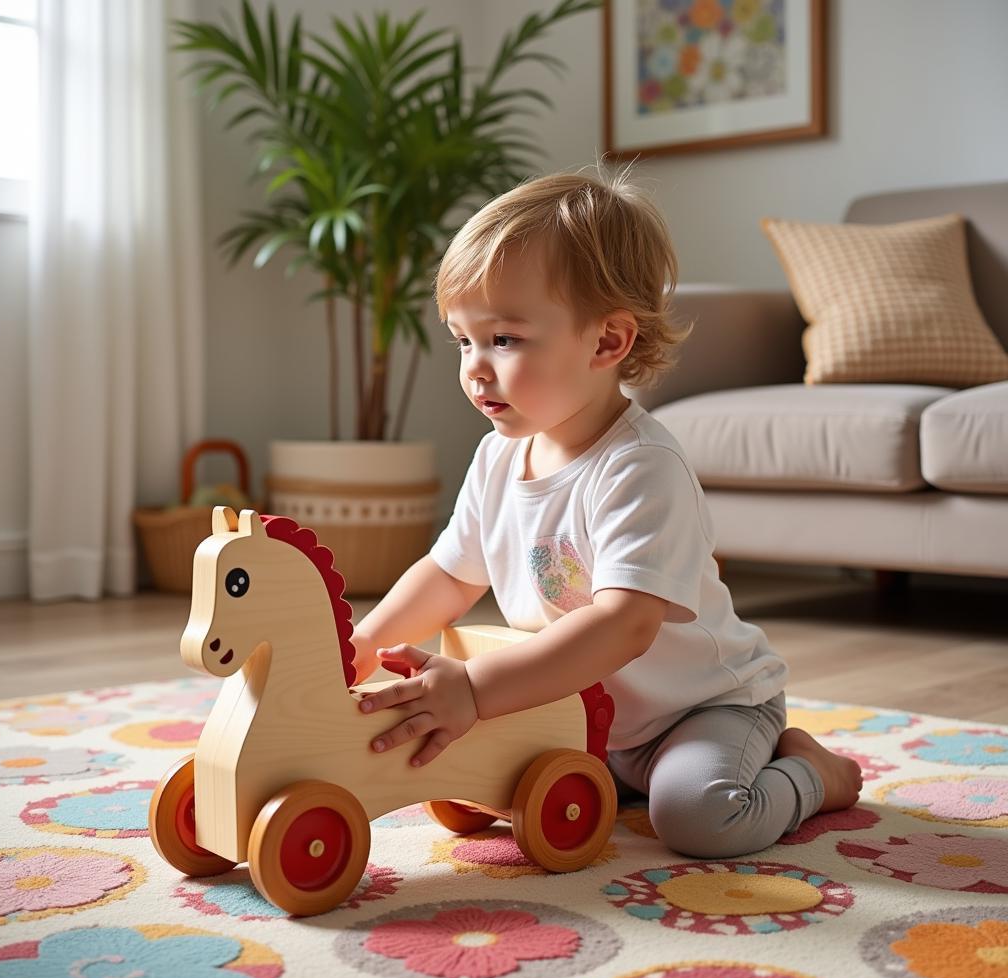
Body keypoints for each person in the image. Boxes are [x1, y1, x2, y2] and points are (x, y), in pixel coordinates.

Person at [349, 166, 862, 858]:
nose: (474, 367)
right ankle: (613, 777)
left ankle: (811, 771)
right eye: (463, 340)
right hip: (583, 715)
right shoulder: (499, 458)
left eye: (503, 339)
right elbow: (448, 573)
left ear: (607, 343)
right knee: (477, 774)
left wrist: (472, 686)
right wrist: (363, 644)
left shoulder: (640, 466)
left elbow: (624, 626)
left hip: (697, 712)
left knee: (699, 818)